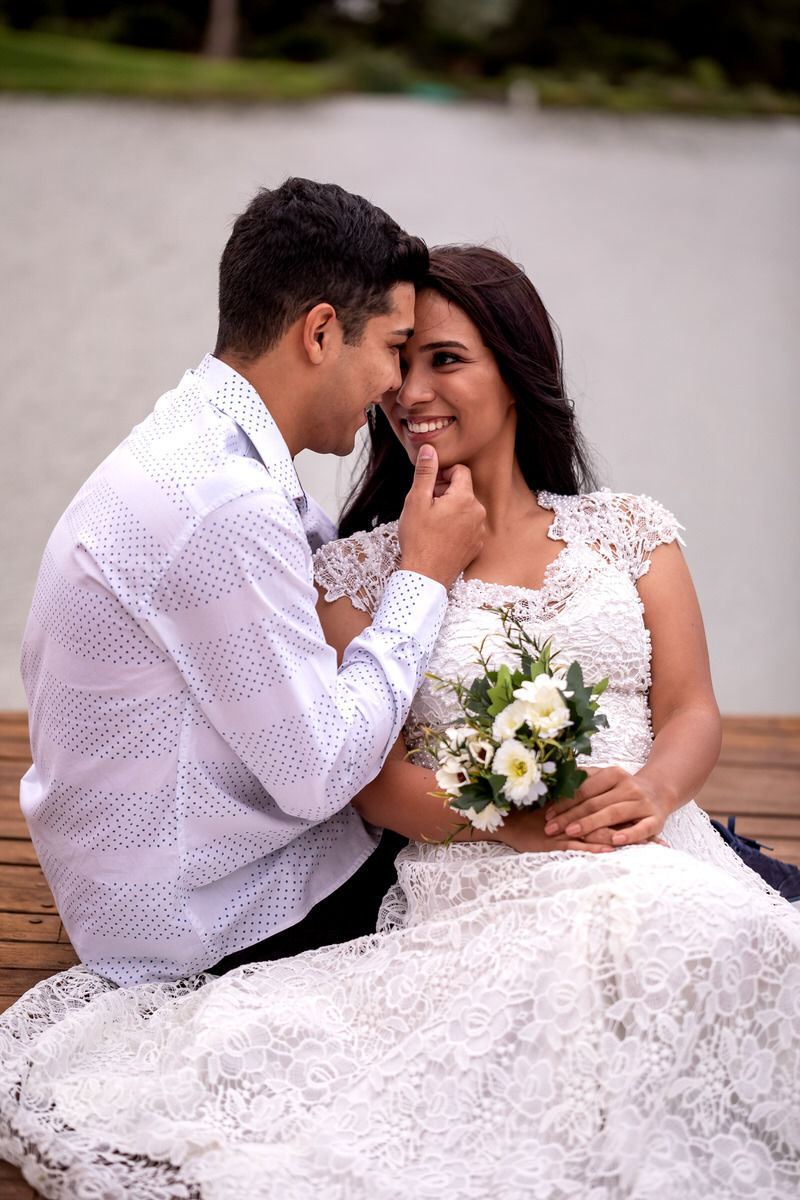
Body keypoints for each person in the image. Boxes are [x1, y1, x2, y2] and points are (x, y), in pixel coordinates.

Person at [2, 246, 799, 1200]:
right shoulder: (354, 572)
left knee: (726, 943)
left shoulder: (631, 532)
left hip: (656, 838)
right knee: (633, 956)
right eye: (400, 359)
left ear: (517, 371)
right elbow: (366, 783)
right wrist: (520, 817)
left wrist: (656, 792)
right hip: (483, 868)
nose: (408, 391)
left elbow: (691, 709)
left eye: (444, 360)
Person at [16, 178, 485, 987]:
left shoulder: (195, 434)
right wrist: (425, 574)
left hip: (139, 879)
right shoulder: (224, 503)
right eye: (392, 347)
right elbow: (322, 775)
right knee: (515, 885)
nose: (398, 386)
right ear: (321, 332)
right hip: (204, 922)